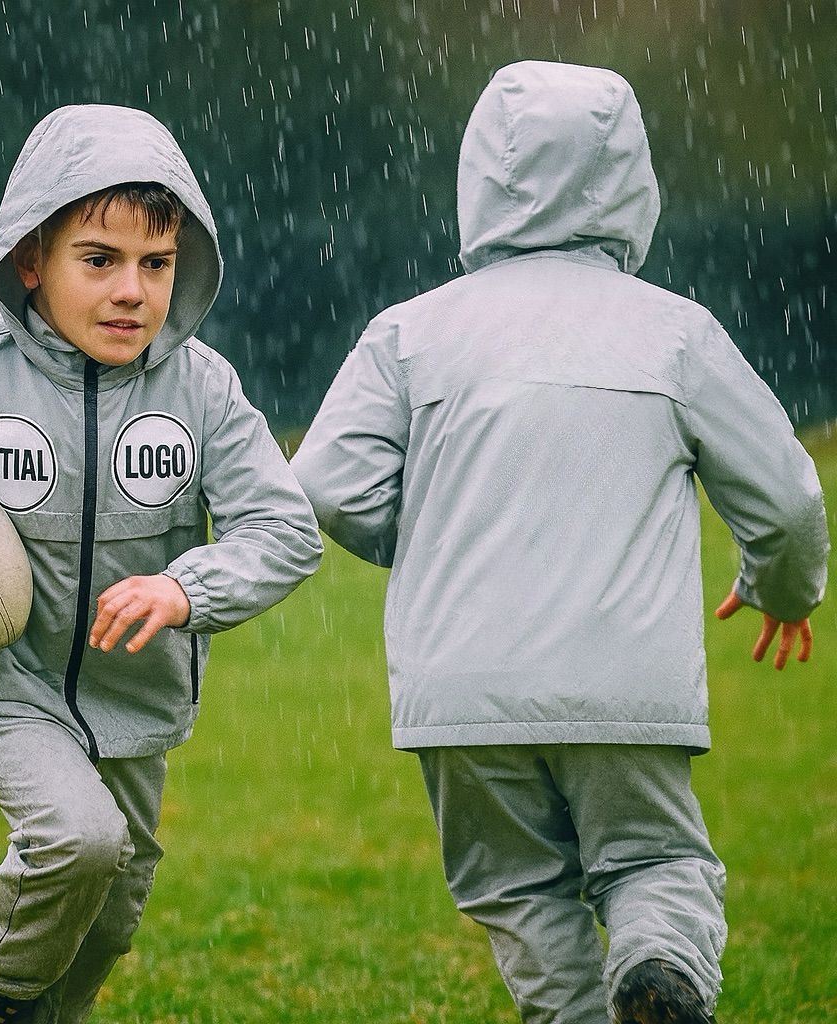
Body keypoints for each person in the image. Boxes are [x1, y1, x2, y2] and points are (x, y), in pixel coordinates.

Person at [291, 61, 829, 1024]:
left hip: (458, 686)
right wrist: (782, 587)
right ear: (632, 180)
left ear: (476, 182)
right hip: (622, 684)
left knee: (520, 896)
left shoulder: (411, 333)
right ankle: (656, 962)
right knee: (656, 861)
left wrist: (422, 540)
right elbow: (784, 496)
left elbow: (329, 487)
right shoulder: (674, 334)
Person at [0, 104, 322, 1023]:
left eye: (156, 264)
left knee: (111, 912)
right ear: (31, 262)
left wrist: (184, 587)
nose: (132, 290)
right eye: (99, 259)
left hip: (140, 700)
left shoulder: (202, 388)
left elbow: (285, 531)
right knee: (78, 842)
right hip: (1, 685)